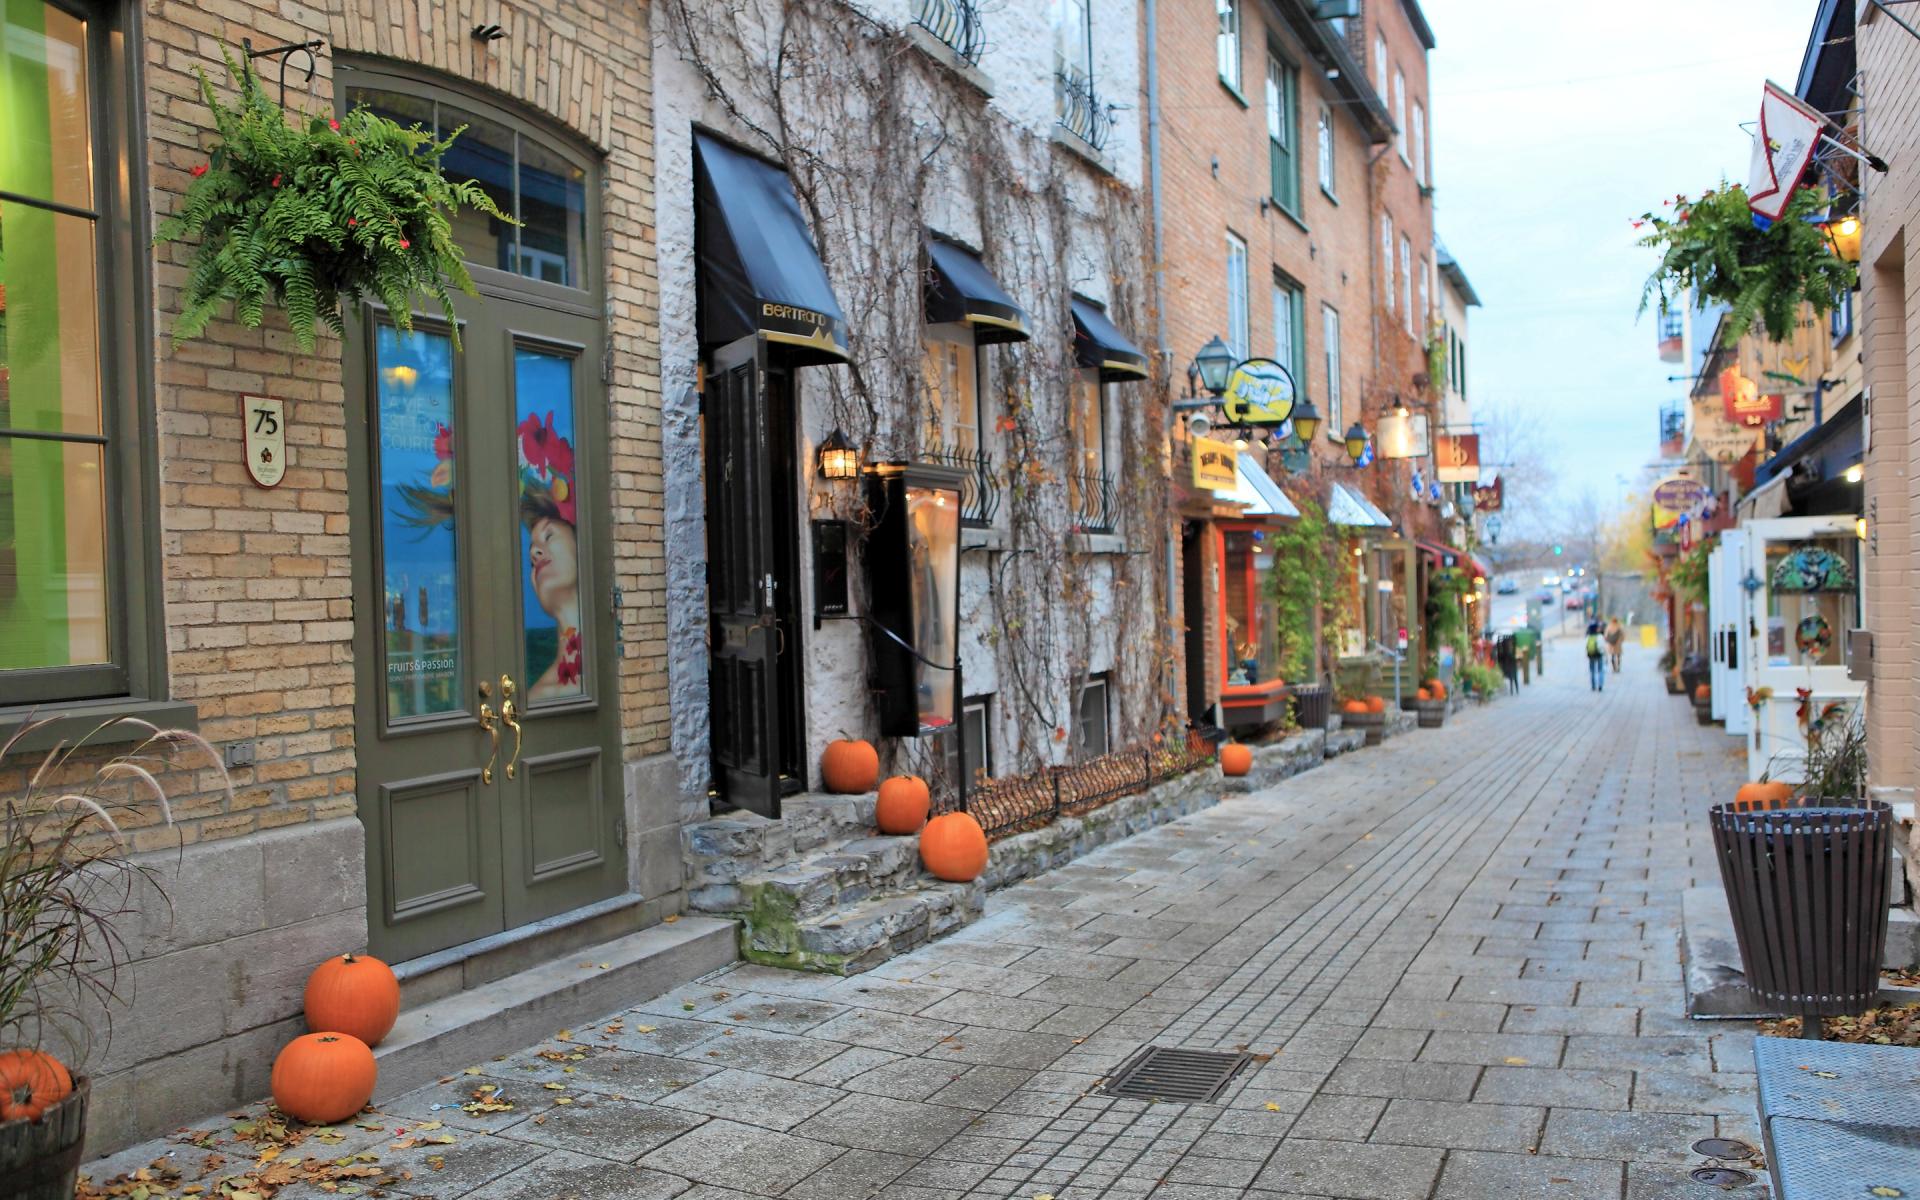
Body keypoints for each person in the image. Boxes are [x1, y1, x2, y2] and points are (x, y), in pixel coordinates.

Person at [1585, 621, 1606, 692]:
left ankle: (1593, 686)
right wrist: (1604, 654)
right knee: (1600, 670)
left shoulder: (1588, 637)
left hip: (1591, 655)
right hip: (1599, 655)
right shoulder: (1600, 636)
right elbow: (1602, 646)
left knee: (1592, 671)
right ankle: (1600, 685)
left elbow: (1586, 647)